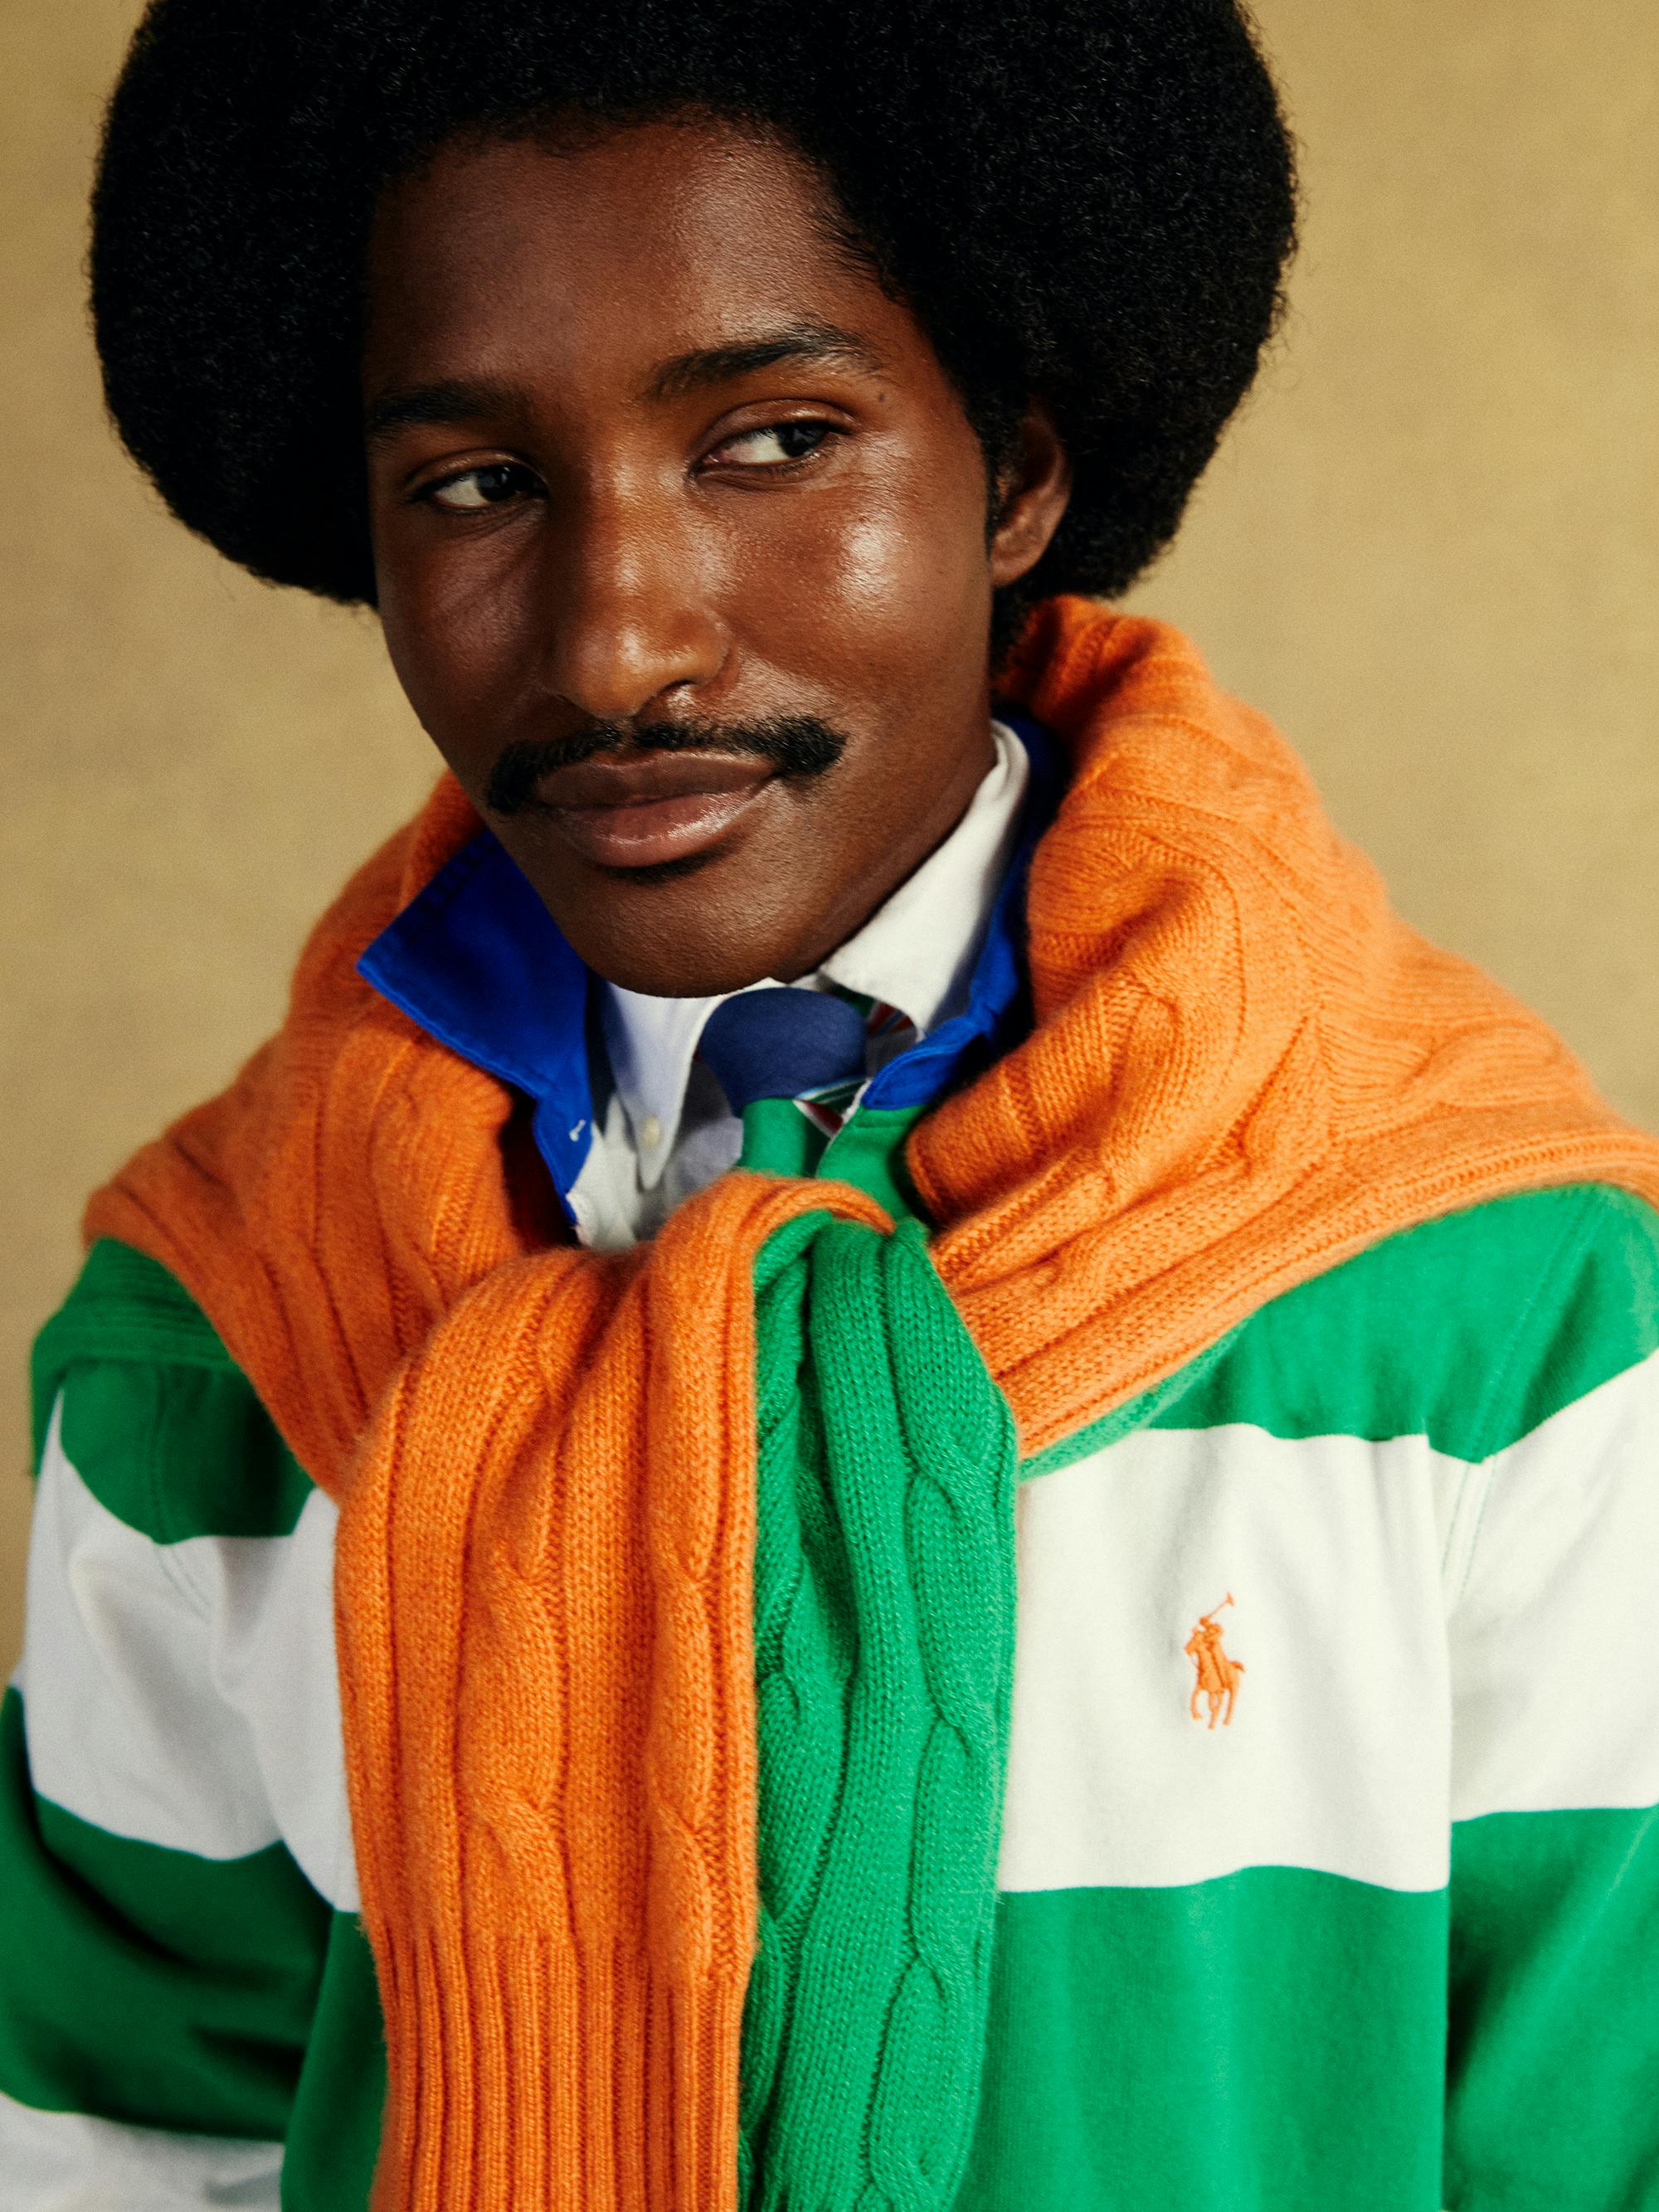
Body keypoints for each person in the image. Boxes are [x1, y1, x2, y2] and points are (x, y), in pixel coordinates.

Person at [4, 0, 1657, 2205]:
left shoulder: (1496, 1322)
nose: (617, 640)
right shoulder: (214, 1351)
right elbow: (108, 2141)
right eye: (479, 482)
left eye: (774, 440)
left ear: (1023, 473)